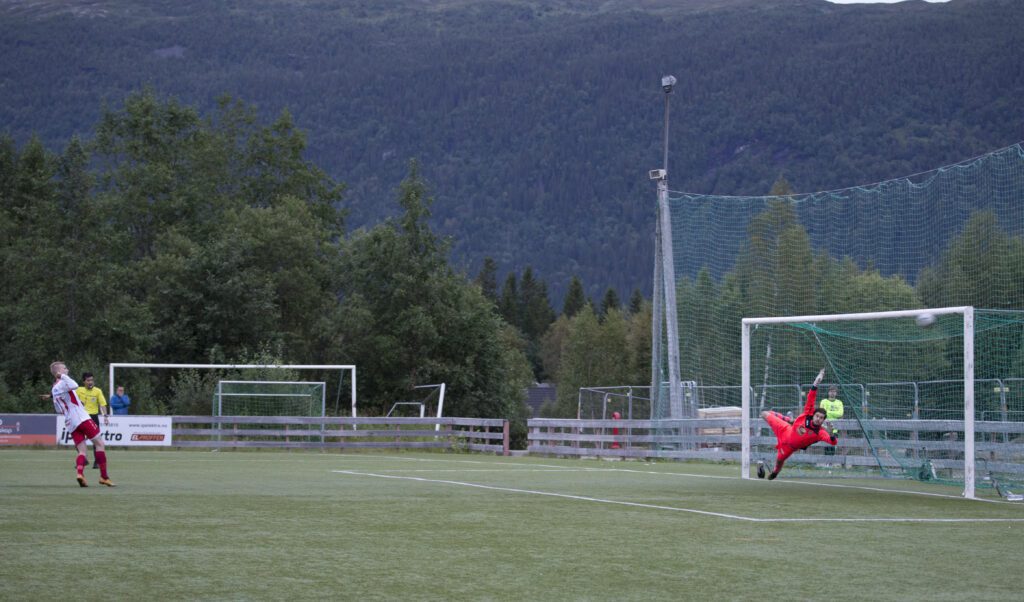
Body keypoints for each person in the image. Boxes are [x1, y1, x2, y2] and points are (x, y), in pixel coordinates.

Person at [757, 368, 838, 480]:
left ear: (823, 420)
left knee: (779, 462)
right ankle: (788, 419)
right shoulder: (808, 413)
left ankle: (774, 473)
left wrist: (832, 434)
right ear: (813, 415)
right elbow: (811, 397)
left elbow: (833, 442)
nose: (818, 419)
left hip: (789, 447)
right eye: (817, 416)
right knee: (764, 414)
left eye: (821, 418)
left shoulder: (820, 432)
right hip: (785, 429)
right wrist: (816, 382)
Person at [50, 361, 114, 487]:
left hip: (70, 423)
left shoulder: (54, 389)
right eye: (64, 368)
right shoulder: (64, 381)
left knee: (82, 451)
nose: (67, 369)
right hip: (81, 418)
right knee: (100, 444)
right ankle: (104, 477)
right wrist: (62, 376)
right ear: (59, 371)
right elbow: (74, 384)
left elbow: (58, 409)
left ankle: (80, 473)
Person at [76, 372, 109, 468]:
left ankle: (97, 462)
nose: (90, 382)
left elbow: (102, 404)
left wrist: (105, 416)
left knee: (97, 441)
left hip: (93, 417)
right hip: (81, 417)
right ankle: (83, 459)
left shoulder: (97, 391)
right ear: (84, 381)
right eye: (88, 380)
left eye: (92, 380)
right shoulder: (78, 390)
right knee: (79, 441)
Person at [819, 385, 844, 456]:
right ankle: (827, 464)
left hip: (835, 429)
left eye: (834, 391)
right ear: (828, 392)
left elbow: (840, 413)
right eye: (831, 391)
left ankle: (830, 463)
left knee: (833, 446)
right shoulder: (824, 401)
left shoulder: (839, 402)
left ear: (836, 393)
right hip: (825, 428)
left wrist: (828, 412)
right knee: (826, 446)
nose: (832, 393)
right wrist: (834, 414)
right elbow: (822, 412)